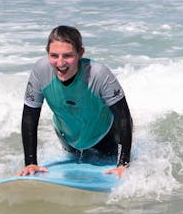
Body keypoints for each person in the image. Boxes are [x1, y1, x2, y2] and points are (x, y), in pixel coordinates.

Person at [17, 25, 133, 177]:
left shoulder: (98, 74)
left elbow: (124, 117)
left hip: (104, 137)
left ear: (80, 53)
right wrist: (31, 162)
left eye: (67, 56)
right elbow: (29, 117)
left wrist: (123, 163)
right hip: (67, 138)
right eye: (54, 56)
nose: (60, 63)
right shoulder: (40, 71)